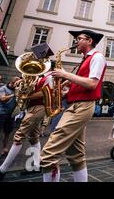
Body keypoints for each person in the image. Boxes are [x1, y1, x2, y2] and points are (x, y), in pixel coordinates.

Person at [40, 29, 106, 182]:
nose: (76, 41)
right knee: (76, 156)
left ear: (89, 41)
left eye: (79, 38)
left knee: (48, 154)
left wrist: (65, 75)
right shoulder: (85, 59)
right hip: (75, 105)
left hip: (82, 107)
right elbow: (82, 83)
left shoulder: (97, 57)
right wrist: (64, 91)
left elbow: (92, 84)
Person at [0, 66, 55, 180]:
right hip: (31, 108)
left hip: (39, 107)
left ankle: (2, 170)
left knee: (18, 136)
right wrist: (21, 85)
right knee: (33, 137)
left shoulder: (49, 77)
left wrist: (25, 96)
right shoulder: (37, 77)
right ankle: (36, 166)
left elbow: (44, 93)